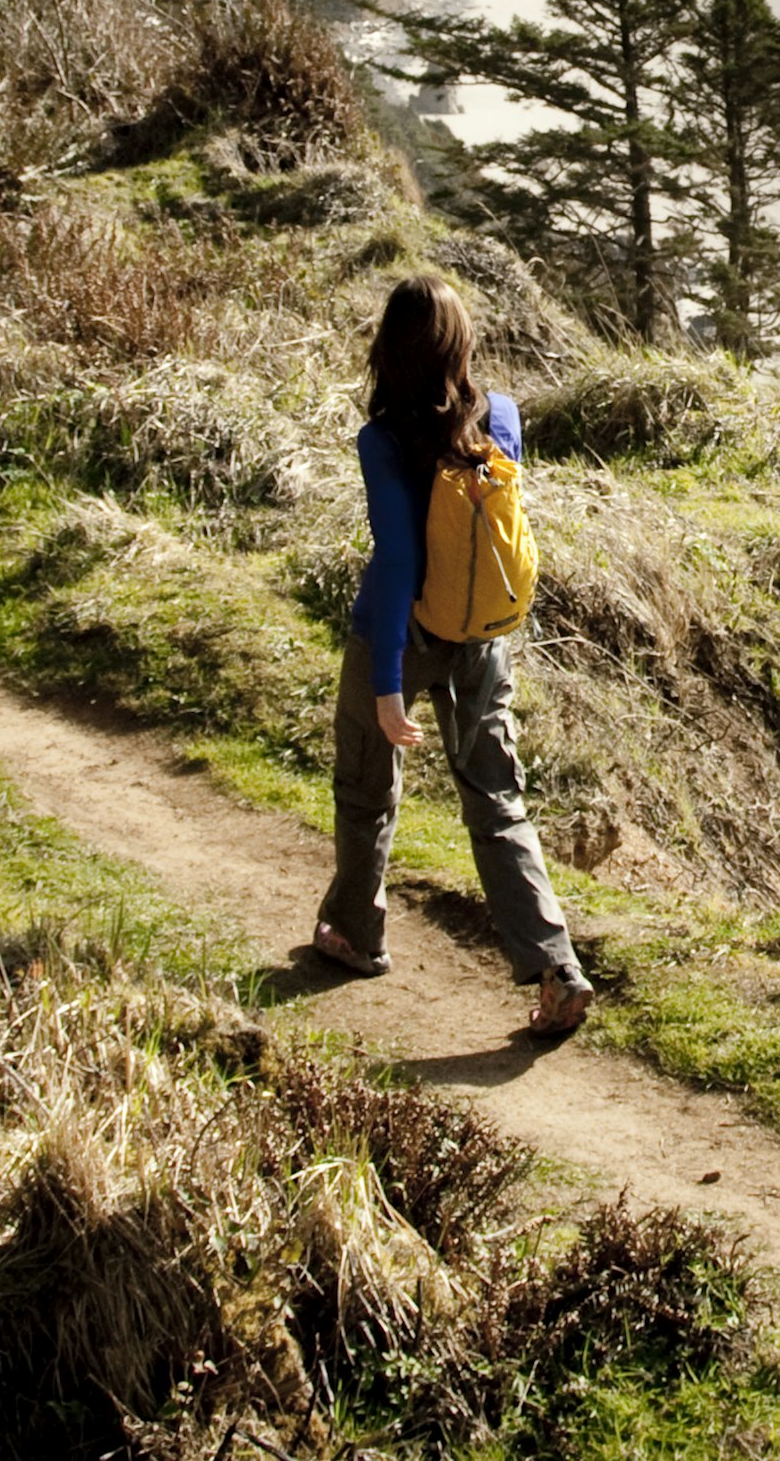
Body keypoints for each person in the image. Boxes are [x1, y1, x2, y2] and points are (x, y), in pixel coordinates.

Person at [311, 272, 595, 1036]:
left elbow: (399, 557)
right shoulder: (502, 415)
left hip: (398, 635)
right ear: (460, 343)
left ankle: (354, 934)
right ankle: (556, 967)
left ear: (389, 350)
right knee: (498, 803)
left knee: (366, 790)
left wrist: (386, 681)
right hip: (482, 637)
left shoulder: (383, 439)